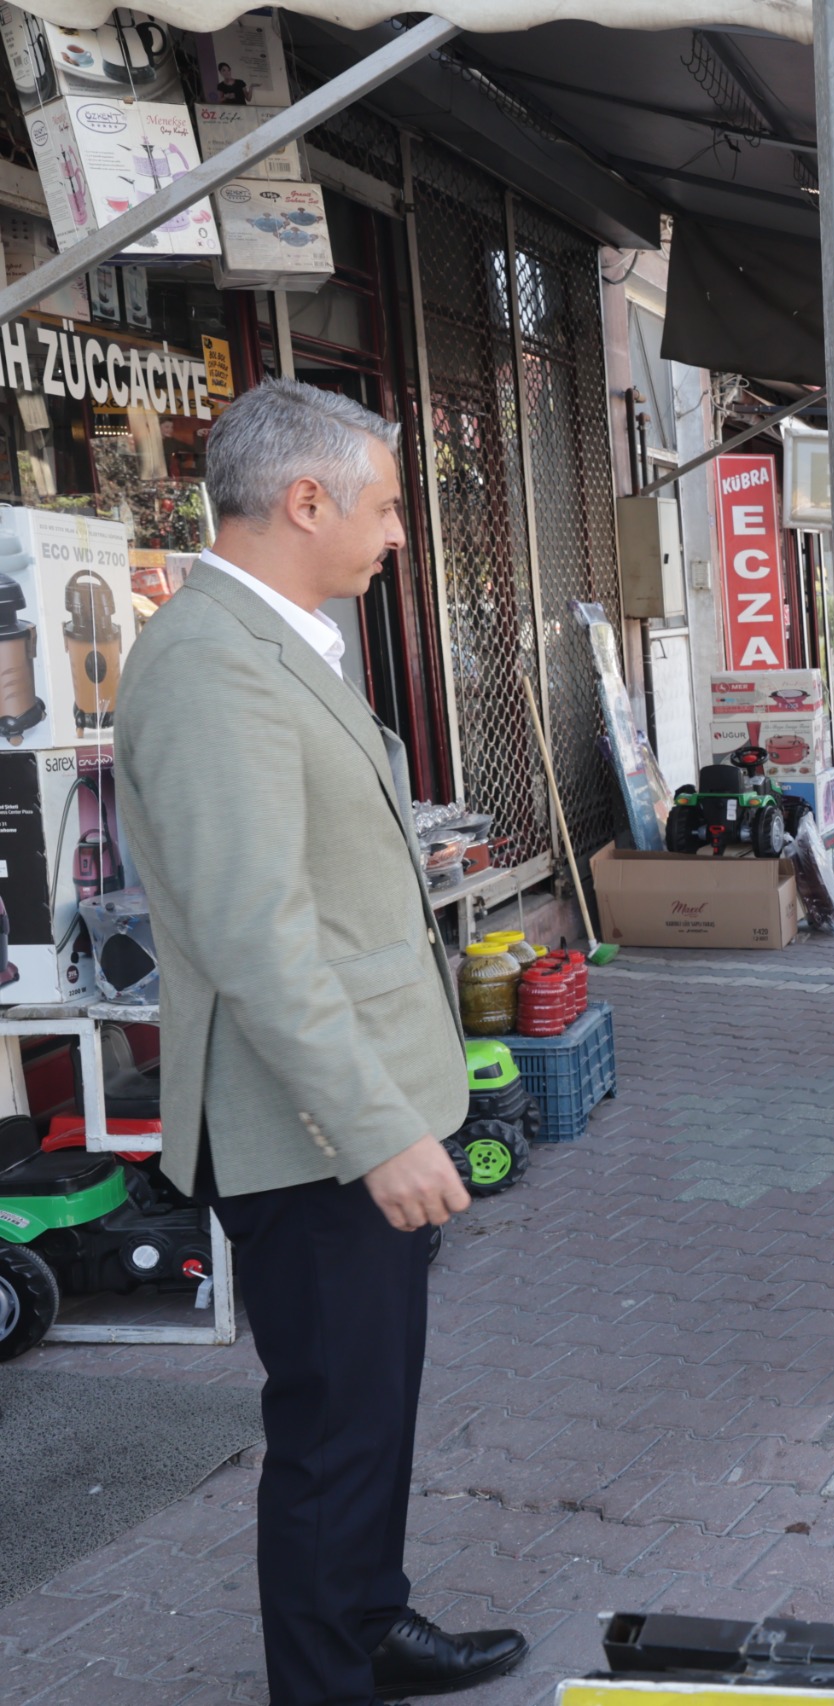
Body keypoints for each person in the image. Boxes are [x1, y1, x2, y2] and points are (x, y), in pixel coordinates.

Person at [116, 379, 525, 1705]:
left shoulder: (277, 638)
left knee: (369, 1411)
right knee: (333, 1428)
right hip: (308, 1129)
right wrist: (377, 1128)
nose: (400, 532)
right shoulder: (210, 662)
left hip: (351, 1109)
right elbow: (258, 936)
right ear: (305, 500)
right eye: (389, 505)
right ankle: (327, 1675)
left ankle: (367, 1621)